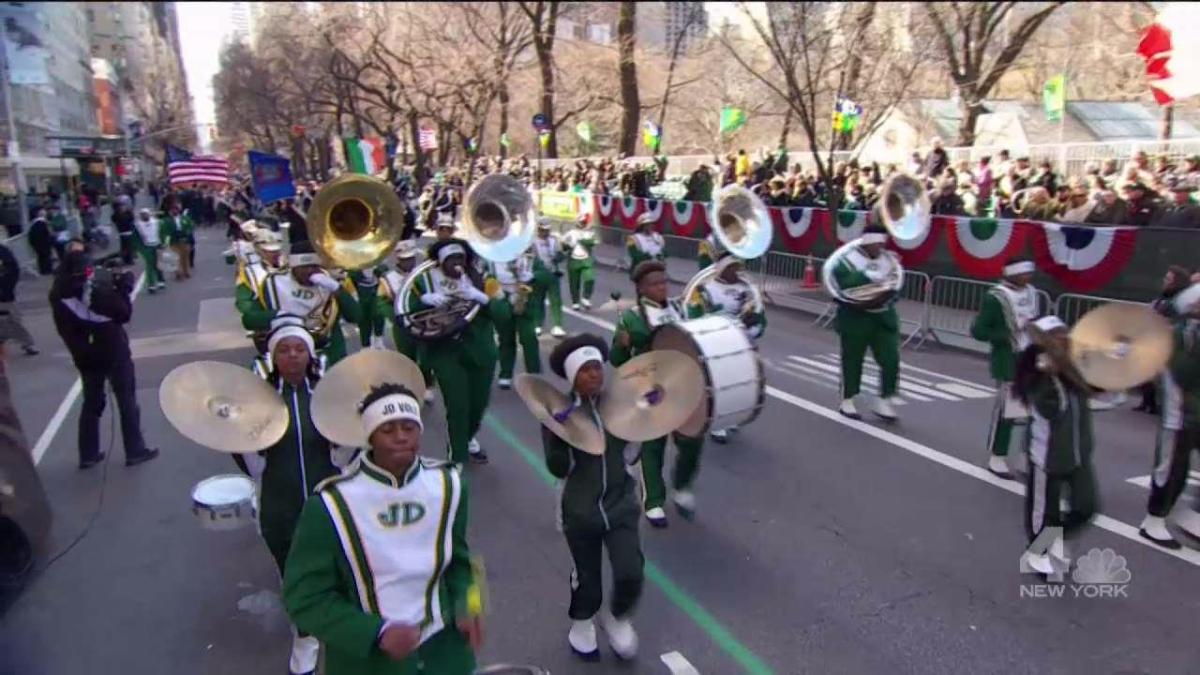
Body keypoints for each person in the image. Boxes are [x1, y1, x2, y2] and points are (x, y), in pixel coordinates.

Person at [282, 383, 481, 675]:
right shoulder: (330, 504)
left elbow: (462, 562)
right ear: (370, 436)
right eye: (388, 429)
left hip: (445, 652)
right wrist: (376, 632)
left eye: (409, 427)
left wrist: (469, 605)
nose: (401, 437)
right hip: (368, 662)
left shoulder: (449, 484)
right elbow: (304, 598)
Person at [237, 322, 339, 675]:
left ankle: (339, 628)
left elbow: (348, 446)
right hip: (279, 504)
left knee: (335, 568)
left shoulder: (327, 393)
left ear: (310, 353)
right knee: (293, 574)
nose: (293, 355)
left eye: (299, 348)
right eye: (284, 349)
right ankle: (305, 639)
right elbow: (248, 458)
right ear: (273, 357)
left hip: (327, 500)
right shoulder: (261, 399)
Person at [543, 335, 644, 661]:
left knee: (630, 571)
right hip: (580, 510)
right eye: (585, 369)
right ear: (573, 376)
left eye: (597, 368)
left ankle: (617, 617)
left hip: (620, 504)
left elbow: (633, 453)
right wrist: (557, 434)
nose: (594, 374)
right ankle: (582, 622)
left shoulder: (618, 405)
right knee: (587, 579)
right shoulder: (559, 411)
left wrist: (648, 414)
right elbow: (557, 468)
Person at [611, 261, 705, 527]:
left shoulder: (680, 309)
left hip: (682, 383)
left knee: (692, 440)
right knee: (653, 446)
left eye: (664, 281)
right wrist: (622, 345)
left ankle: (682, 486)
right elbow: (617, 360)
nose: (662, 287)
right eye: (654, 283)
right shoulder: (631, 318)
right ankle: (653, 501)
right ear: (641, 288)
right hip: (650, 387)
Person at [49, 242, 158, 469]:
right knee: (126, 400)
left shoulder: (57, 293)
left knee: (92, 402)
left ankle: (87, 454)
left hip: (83, 353)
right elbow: (123, 313)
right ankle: (135, 450)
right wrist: (124, 287)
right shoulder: (96, 291)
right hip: (112, 348)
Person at [1014, 316, 1098, 577]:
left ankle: (1054, 540)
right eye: (1055, 336)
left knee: (1086, 507)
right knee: (1044, 512)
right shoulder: (1038, 378)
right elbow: (1050, 410)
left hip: (1079, 455)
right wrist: (1049, 375)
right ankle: (1037, 553)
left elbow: (1105, 389)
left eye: (1064, 333)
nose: (1063, 340)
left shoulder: (1075, 372)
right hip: (1047, 457)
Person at [408, 239, 496, 465]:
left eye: (460, 258)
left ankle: (467, 439)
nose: (457, 263)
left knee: (478, 405)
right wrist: (424, 301)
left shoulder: (481, 279)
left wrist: (482, 298)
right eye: (451, 259)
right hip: (444, 351)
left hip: (480, 350)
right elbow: (407, 315)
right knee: (457, 406)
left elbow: (503, 315)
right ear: (440, 262)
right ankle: (458, 459)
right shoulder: (425, 280)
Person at [1138, 283, 1200, 549]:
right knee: (1172, 468)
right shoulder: (1178, 335)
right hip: (1179, 413)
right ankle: (1154, 520)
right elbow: (1183, 372)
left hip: (1194, 411)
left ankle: (1192, 517)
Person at [685, 252, 766, 443]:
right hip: (715, 344)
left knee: (739, 383)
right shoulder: (705, 289)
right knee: (717, 385)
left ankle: (732, 417)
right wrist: (726, 322)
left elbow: (759, 317)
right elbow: (695, 317)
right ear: (722, 268)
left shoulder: (747, 289)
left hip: (741, 344)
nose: (735, 271)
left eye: (737, 267)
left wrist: (752, 325)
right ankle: (717, 424)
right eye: (731, 267)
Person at [970, 259, 1039, 478]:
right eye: (1023, 273)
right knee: (1008, 410)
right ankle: (997, 456)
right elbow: (978, 331)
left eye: (1029, 273)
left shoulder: (1032, 292)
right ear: (1011, 274)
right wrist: (1006, 334)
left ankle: (1026, 456)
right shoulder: (996, 297)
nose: (1028, 277)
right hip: (1008, 359)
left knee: (1033, 411)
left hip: (1032, 358)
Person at [242, 240, 362, 366]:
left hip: (329, 353)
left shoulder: (332, 281)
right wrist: (280, 315)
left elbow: (355, 316)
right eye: (304, 267)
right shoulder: (273, 283)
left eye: (314, 267)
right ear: (293, 267)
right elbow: (248, 320)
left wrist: (337, 289)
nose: (310, 271)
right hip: (290, 355)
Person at [828, 225, 903, 421]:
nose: (880, 247)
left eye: (882, 243)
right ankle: (848, 399)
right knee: (852, 359)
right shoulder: (847, 260)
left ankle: (885, 398)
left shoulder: (889, 261)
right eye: (876, 244)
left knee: (891, 359)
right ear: (866, 242)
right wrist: (869, 278)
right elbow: (845, 284)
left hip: (883, 317)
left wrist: (886, 292)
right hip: (855, 318)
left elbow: (896, 286)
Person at [378, 240, 436, 403]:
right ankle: (411, 387)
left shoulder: (423, 274)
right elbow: (382, 302)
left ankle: (427, 385)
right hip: (402, 325)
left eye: (411, 258)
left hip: (424, 323)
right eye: (405, 259)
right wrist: (396, 317)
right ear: (398, 259)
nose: (409, 262)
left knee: (426, 357)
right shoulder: (388, 278)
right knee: (407, 357)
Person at [490, 248, 540, 390]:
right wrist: (500, 295)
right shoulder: (491, 259)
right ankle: (505, 374)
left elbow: (541, 273)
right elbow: (487, 279)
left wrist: (528, 279)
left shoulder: (528, 255)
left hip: (525, 300)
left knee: (529, 338)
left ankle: (534, 375)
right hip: (502, 300)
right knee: (506, 339)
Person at [530, 219, 567, 338]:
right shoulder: (532, 242)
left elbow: (561, 255)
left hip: (552, 273)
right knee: (537, 301)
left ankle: (557, 325)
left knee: (556, 301)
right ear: (539, 230)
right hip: (538, 274)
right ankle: (537, 324)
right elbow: (528, 258)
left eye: (547, 230)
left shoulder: (554, 241)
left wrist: (560, 255)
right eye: (543, 230)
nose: (545, 233)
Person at [0, 241, 37, 355]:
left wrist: (5, 288)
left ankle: (27, 343)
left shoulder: (3, 252)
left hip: (4, 295)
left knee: (13, 320)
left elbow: (12, 269)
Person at [560, 213, 597, 310]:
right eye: (581, 222)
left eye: (584, 222)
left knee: (590, 279)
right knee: (574, 283)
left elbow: (592, 242)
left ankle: (586, 297)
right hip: (574, 260)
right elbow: (563, 243)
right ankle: (575, 302)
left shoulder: (589, 233)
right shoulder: (571, 233)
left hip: (586, 260)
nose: (582, 224)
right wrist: (567, 245)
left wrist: (581, 240)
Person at [132, 208, 166, 293]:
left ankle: (160, 280)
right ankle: (151, 285)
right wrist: (139, 248)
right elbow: (135, 239)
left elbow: (163, 233)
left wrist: (163, 243)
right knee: (150, 265)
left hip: (158, 245)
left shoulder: (157, 222)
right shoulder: (137, 226)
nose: (144, 216)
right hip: (147, 247)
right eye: (142, 215)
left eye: (146, 214)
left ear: (149, 214)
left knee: (158, 264)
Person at [162, 202, 195, 280]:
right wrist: (166, 243)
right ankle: (178, 273)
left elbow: (191, 226)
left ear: (178, 210)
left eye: (175, 210)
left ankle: (186, 272)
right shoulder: (167, 220)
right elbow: (165, 232)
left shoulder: (185, 218)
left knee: (185, 257)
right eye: (172, 210)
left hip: (184, 240)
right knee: (176, 257)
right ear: (170, 211)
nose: (174, 211)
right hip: (174, 241)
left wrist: (187, 234)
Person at [26, 209, 54, 275]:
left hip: (37, 244)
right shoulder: (43, 224)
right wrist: (50, 241)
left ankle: (43, 270)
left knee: (41, 257)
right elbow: (47, 234)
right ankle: (48, 270)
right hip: (44, 244)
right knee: (46, 257)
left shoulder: (33, 225)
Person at [111, 200, 136, 265]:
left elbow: (132, 219)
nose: (122, 208)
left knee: (127, 247)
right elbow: (129, 219)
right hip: (124, 232)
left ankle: (128, 259)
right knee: (127, 247)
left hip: (126, 232)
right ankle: (128, 260)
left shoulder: (125, 213)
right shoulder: (118, 215)